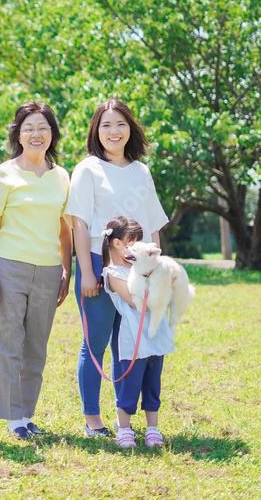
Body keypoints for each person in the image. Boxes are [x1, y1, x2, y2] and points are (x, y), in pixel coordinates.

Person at [64, 99, 168, 437]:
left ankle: (124, 417)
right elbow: (79, 225)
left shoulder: (141, 171)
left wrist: (157, 268)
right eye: (106, 125)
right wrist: (88, 271)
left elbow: (153, 225)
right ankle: (93, 419)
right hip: (98, 263)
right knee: (94, 343)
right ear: (97, 130)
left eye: (120, 124)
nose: (114, 131)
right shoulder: (87, 169)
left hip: (138, 269)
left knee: (129, 344)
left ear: (130, 129)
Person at [0, 102, 72, 440]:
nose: (37, 134)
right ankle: (12, 418)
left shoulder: (62, 176)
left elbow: (66, 230)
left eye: (43, 128)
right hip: (9, 268)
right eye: (29, 128)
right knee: (9, 343)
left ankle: (27, 413)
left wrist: (68, 269)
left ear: (53, 135)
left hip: (49, 271)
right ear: (18, 135)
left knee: (37, 345)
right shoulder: (3, 174)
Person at [100, 215, 175, 448]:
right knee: (130, 386)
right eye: (132, 243)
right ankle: (124, 429)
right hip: (134, 339)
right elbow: (137, 301)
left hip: (155, 337)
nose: (135, 250)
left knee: (153, 384)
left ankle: (152, 429)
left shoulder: (142, 269)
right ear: (117, 244)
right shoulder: (113, 274)